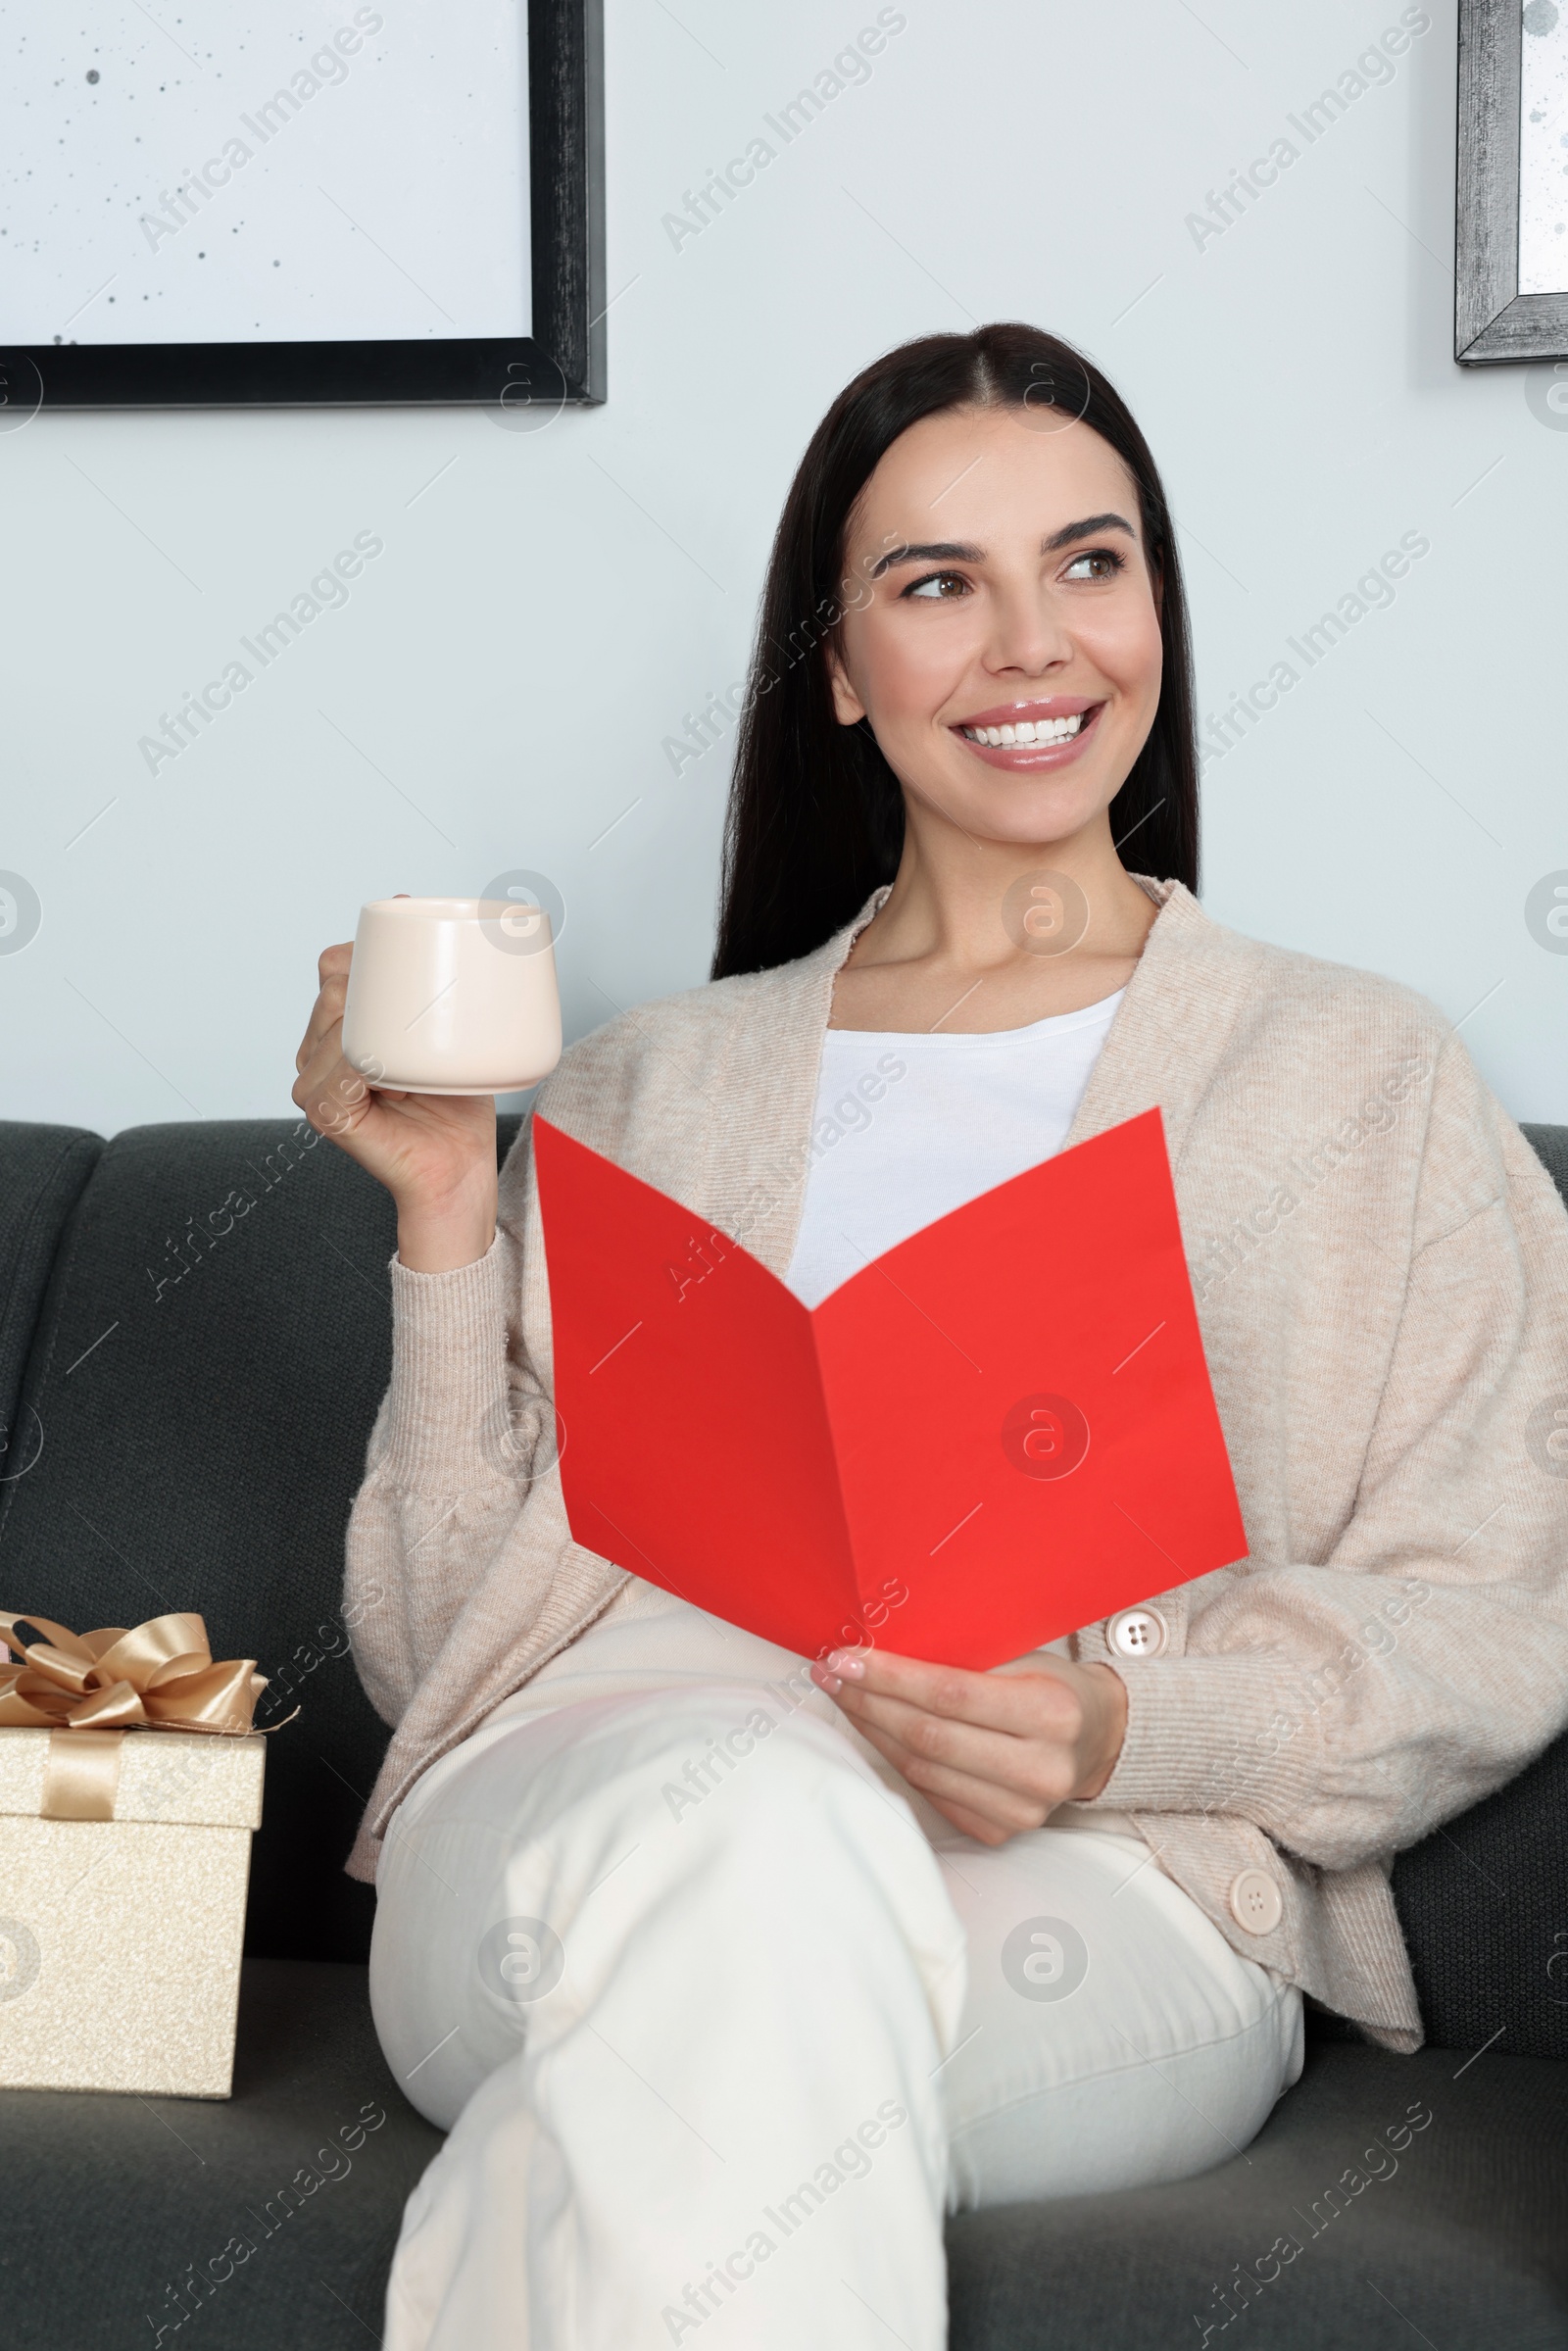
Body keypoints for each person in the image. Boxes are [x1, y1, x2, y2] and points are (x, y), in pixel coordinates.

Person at [292, 323, 1568, 2351]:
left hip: (1098, 1864)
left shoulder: (1358, 1078)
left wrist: (1123, 1728)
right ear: (832, 665)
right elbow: (437, 1649)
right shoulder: (642, 1082)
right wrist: (452, 1222)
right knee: (742, 1834)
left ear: (1155, 609)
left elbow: (1496, 1612)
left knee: (684, 2042)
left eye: (1087, 563)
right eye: (932, 585)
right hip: (584, 1797)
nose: (1028, 645)